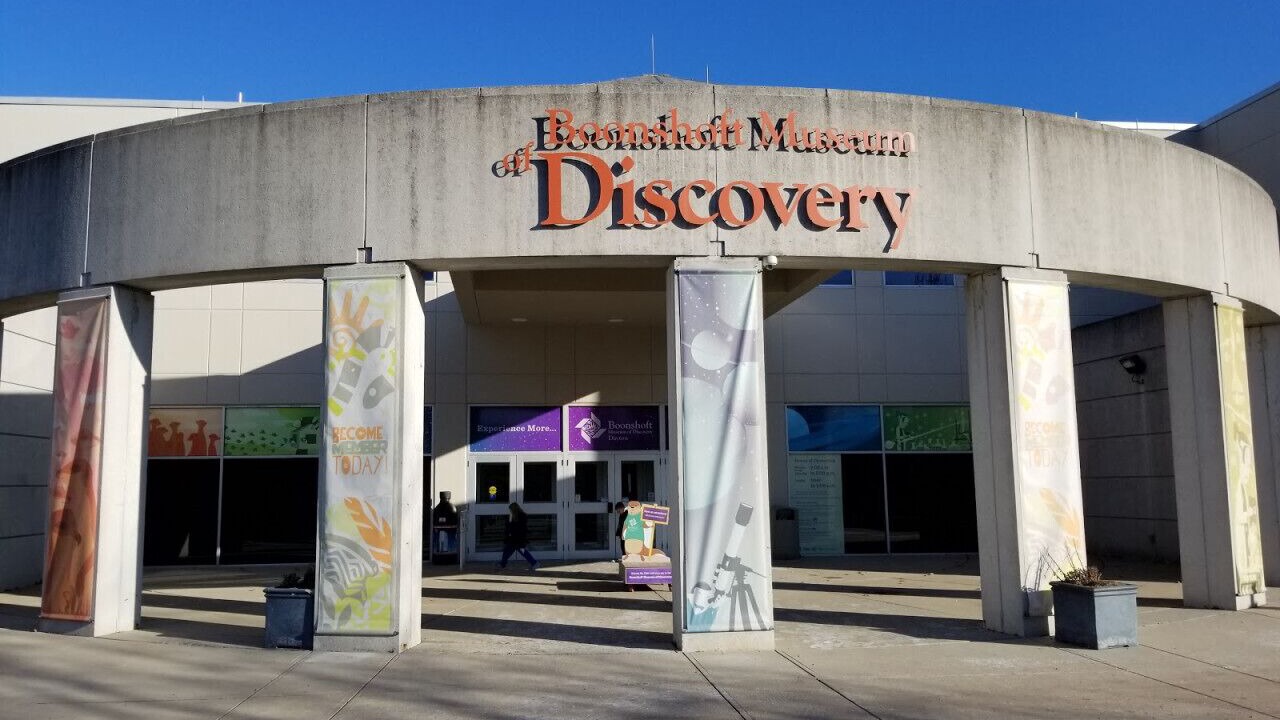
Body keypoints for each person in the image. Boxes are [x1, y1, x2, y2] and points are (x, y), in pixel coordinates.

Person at [498, 502, 539, 571]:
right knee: (509, 551)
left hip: (517, 540)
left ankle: (534, 563)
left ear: (513, 509)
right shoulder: (519, 516)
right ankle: (503, 564)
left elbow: (514, 528)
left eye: (510, 509)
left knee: (512, 551)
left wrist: (509, 525)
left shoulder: (519, 517)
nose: (510, 511)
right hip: (516, 539)